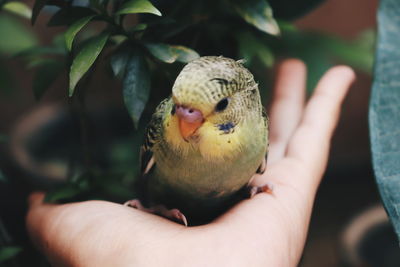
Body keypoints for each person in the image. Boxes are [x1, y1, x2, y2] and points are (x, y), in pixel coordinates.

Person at [26, 59, 355, 267]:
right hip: (165, 202)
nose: (184, 120)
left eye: (219, 105)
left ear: (240, 104)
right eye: (179, 107)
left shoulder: (259, 132)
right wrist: (151, 209)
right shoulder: (162, 127)